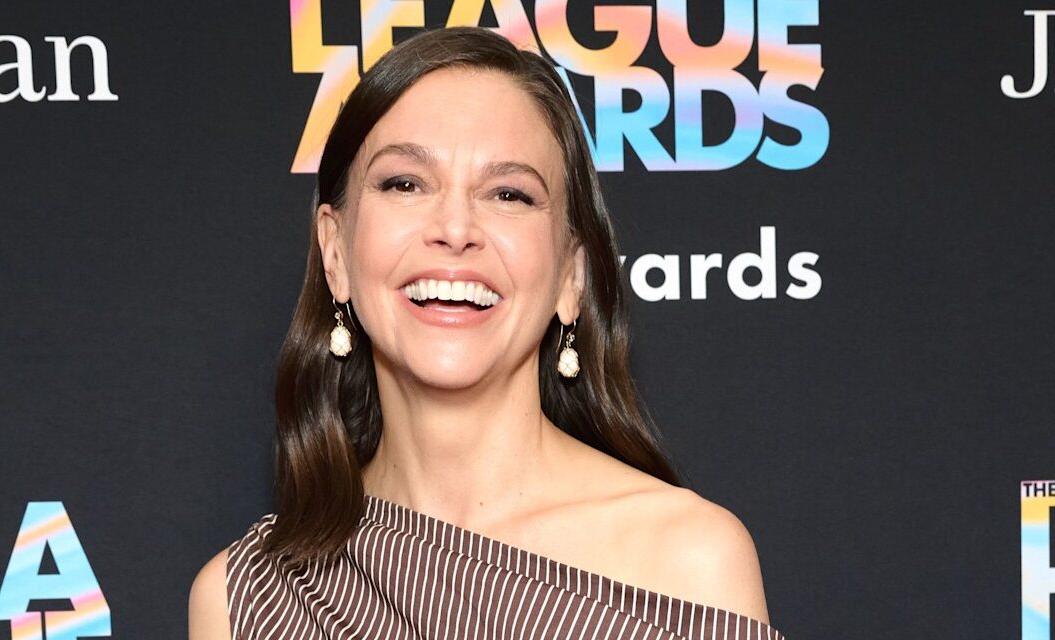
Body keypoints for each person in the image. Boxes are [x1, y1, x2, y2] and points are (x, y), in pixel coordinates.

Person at [190, 26, 780, 639]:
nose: (454, 227)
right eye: (405, 184)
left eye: (509, 194)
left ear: (570, 277)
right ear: (335, 254)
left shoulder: (687, 561)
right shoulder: (247, 599)